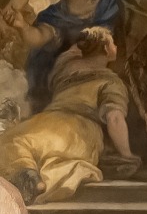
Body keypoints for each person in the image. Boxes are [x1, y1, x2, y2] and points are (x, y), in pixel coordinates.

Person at [0, 25, 139, 203]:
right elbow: (115, 118)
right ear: (106, 49)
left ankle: (29, 180)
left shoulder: (65, 69)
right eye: (113, 43)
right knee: (15, 139)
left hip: (75, 129)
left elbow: (72, 52)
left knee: (15, 140)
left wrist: (90, 40)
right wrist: (127, 155)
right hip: (65, 126)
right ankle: (30, 179)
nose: (116, 47)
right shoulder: (110, 82)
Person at [10, 0, 121, 112]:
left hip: (122, 60)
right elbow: (40, 37)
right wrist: (23, 27)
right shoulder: (56, 15)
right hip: (88, 75)